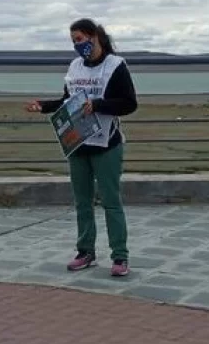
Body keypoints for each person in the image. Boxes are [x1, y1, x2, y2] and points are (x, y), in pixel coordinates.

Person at [26, 18, 138, 276]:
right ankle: (85, 251)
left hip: (106, 144)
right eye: (74, 41)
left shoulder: (115, 65)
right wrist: (43, 106)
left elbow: (129, 103)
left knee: (111, 201)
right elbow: (68, 101)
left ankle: (120, 256)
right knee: (82, 202)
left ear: (95, 36)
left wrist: (99, 105)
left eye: (81, 39)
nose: (78, 46)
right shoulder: (75, 66)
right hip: (77, 143)